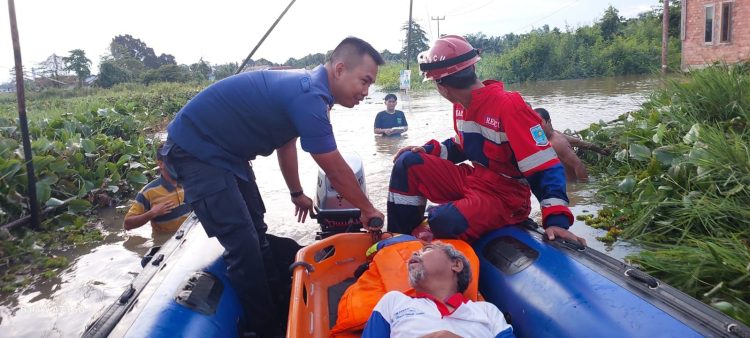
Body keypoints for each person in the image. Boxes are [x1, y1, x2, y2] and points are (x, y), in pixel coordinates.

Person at [161, 37, 386, 336]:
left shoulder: (311, 90)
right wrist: (367, 209)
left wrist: (297, 193)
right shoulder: (309, 94)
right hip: (197, 153)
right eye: (364, 81)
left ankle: (280, 301)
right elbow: (332, 166)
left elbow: (286, 143)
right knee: (244, 246)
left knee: (258, 232)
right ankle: (266, 328)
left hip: (229, 156)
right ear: (340, 69)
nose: (365, 91)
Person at [387, 35, 585, 246]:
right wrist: (427, 150)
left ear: (442, 87)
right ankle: (397, 242)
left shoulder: (509, 106)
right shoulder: (461, 106)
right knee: (408, 162)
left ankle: (431, 236)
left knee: (442, 220)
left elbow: (545, 165)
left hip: (506, 197)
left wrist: (556, 221)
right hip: (476, 179)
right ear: (472, 69)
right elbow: (460, 145)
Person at [362, 243, 515, 338]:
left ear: (456, 265)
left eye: (426, 249)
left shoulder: (487, 311)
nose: (414, 253)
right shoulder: (394, 302)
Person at [124, 144, 192, 233]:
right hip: (168, 243)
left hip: (191, 238)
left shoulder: (189, 182)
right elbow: (127, 224)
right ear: (160, 164)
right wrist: (152, 213)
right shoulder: (148, 192)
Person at [534, 108, 589, 183]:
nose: (538, 127)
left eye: (541, 122)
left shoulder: (556, 142)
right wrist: (598, 149)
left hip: (568, 188)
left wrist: (583, 189)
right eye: (535, 123)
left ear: (549, 121)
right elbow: (577, 142)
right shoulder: (554, 134)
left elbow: (579, 165)